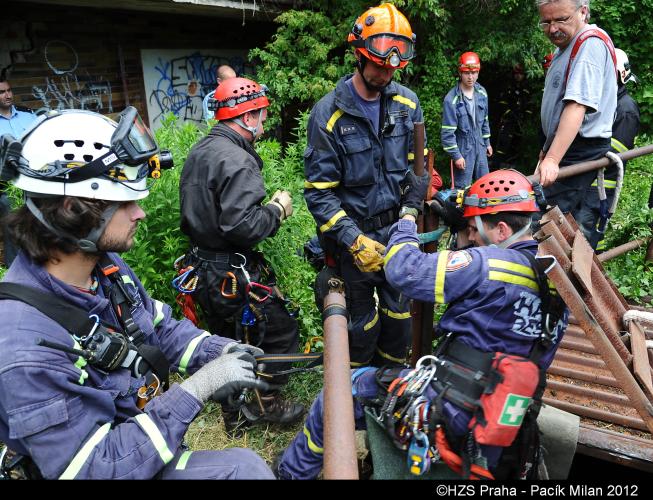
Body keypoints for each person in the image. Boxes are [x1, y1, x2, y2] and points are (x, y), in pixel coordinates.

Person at [0, 108, 275, 479]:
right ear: (73, 208)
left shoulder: (105, 267)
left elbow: (157, 327)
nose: (140, 213)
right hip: (112, 465)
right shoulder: (26, 349)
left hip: (137, 439)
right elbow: (92, 468)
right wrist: (197, 388)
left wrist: (220, 352)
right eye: (124, 202)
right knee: (245, 472)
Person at [277, 170, 568, 480]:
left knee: (342, 392)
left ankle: (289, 474)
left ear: (501, 229)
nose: (469, 239)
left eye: (472, 229)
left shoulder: (488, 264)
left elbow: (404, 270)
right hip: (501, 418)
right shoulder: (553, 279)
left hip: (450, 411)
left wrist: (407, 214)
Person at [304, 3, 428, 368]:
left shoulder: (407, 104)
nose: (386, 72)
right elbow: (319, 193)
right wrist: (353, 240)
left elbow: (414, 173)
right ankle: (356, 390)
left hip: (397, 233)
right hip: (352, 238)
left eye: (393, 67)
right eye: (378, 65)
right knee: (361, 325)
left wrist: (410, 212)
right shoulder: (328, 115)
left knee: (399, 319)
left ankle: (388, 382)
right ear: (359, 56)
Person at [180, 76, 304, 435]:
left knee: (224, 342)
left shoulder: (201, 151)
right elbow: (243, 227)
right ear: (248, 117)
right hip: (230, 271)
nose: (264, 123)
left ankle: (234, 417)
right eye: (261, 116)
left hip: (202, 270)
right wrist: (278, 210)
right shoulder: (238, 160)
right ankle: (268, 403)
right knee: (279, 332)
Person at [535, 0, 617, 242]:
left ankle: (549, 275)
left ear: (583, 11)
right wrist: (545, 153)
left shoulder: (588, 44)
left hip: (580, 148)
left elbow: (577, 105)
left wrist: (553, 159)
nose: (552, 29)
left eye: (561, 19)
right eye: (546, 22)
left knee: (544, 223)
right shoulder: (568, 47)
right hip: (564, 147)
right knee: (558, 223)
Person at [585, 47, 640, 251]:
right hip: (588, 183)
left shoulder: (626, 109)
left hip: (599, 187)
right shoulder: (604, 102)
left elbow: (616, 152)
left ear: (619, 75)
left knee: (589, 237)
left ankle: (592, 275)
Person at [441, 51, 492, 189]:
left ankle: (483, 211)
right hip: (464, 148)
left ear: (478, 72)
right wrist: (456, 155)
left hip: (480, 146)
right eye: (466, 73)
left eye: (474, 73)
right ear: (460, 73)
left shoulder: (482, 93)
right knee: (461, 190)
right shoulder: (451, 100)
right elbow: (447, 134)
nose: (471, 77)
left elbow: (485, 121)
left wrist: (487, 143)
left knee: (485, 186)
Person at [0, 76, 37, 267]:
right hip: (6, 184)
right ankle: (15, 267)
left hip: (36, 177)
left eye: (9, 90)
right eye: (1, 92)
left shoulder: (29, 117)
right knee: (11, 207)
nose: (7, 95)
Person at [490, 64, 534, 170]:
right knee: (503, 143)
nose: (518, 76)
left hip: (520, 122)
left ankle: (512, 167)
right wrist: (509, 114)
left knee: (516, 144)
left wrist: (525, 118)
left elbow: (529, 105)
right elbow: (502, 103)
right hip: (508, 120)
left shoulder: (526, 88)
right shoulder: (509, 86)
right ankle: (496, 167)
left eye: (521, 74)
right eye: (517, 74)